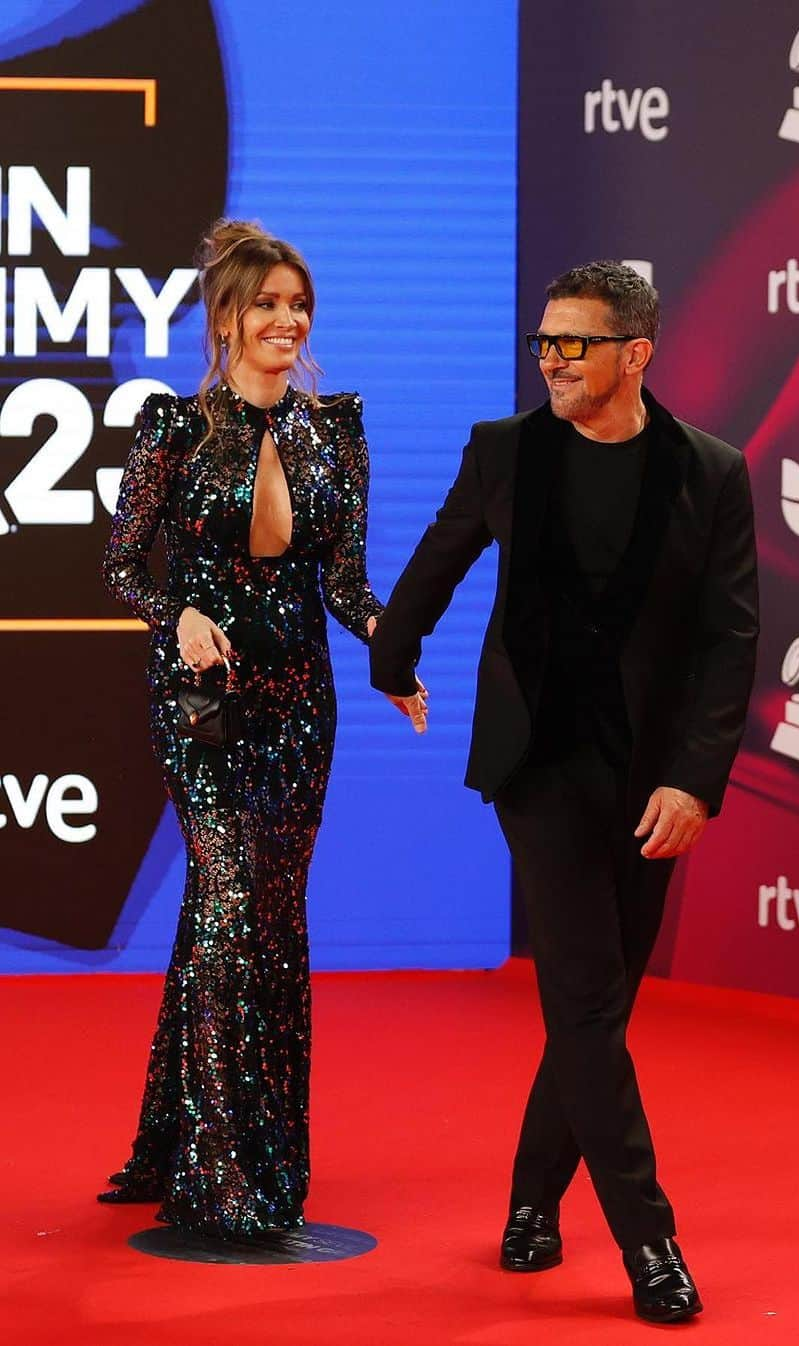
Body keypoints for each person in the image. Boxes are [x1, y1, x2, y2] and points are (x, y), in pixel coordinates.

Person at [369, 261, 758, 1321]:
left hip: (649, 779)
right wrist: (392, 657)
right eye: (544, 340)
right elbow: (439, 560)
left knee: (597, 1009)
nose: (550, 357)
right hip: (536, 767)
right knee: (588, 1000)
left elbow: (731, 641)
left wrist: (695, 779)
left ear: (636, 353)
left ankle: (532, 1202)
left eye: (573, 342)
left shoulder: (710, 472)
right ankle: (651, 1242)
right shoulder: (506, 451)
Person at [100, 220, 387, 1239]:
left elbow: (345, 583)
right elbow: (123, 563)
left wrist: (387, 640)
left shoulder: (337, 430)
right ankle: (217, 1173)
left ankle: (240, 1145)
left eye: (298, 304)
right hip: (203, 706)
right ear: (226, 318)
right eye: (265, 303)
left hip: (302, 705)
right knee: (225, 904)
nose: (285, 320)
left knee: (267, 920)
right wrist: (174, 610)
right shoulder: (173, 428)